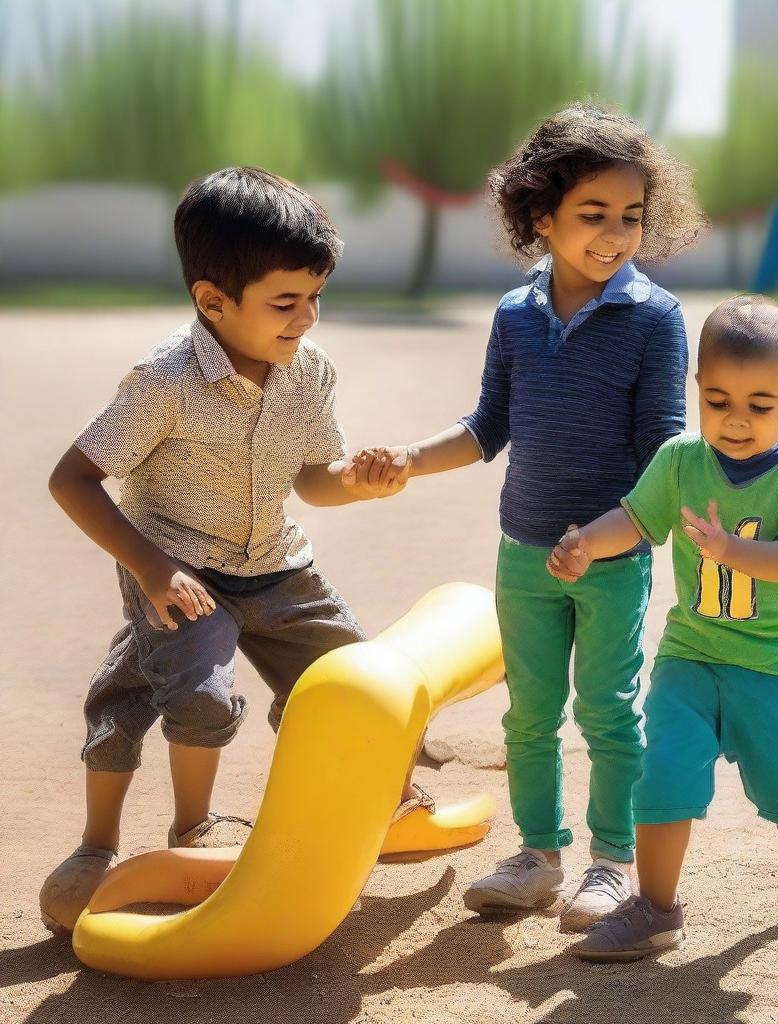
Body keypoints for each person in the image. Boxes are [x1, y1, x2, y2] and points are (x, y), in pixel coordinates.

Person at [352, 105, 706, 931]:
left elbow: (664, 450)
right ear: (540, 216)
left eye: (631, 217)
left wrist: (610, 536)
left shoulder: (655, 318)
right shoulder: (515, 314)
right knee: (530, 716)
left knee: (609, 710)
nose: (615, 235)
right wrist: (407, 458)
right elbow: (487, 427)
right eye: (593, 216)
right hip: (524, 553)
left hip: (612, 556)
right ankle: (538, 857)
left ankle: (611, 863)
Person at [38, 166, 415, 934]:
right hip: (182, 572)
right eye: (285, 302)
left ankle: (381, 798)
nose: (306, 318)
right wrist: (150, 567)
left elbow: (315, 481)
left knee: (355, 678)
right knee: (198, 696)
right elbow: (72, 479)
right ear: (212, 301)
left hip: (279, 564)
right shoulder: (163, 382)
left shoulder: (309, 371)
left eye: (315, 297)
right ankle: (191, 831)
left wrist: (360, 482)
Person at [547, 295, 778, 961]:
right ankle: (656, 908)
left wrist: (729, 550)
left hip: (775, 664)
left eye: (759, 405)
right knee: (663, 776)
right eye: (717, 401)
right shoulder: (682, 459)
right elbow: (633, 518)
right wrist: (583, 544)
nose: (736, 420)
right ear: (698, 392)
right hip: (690, 657)